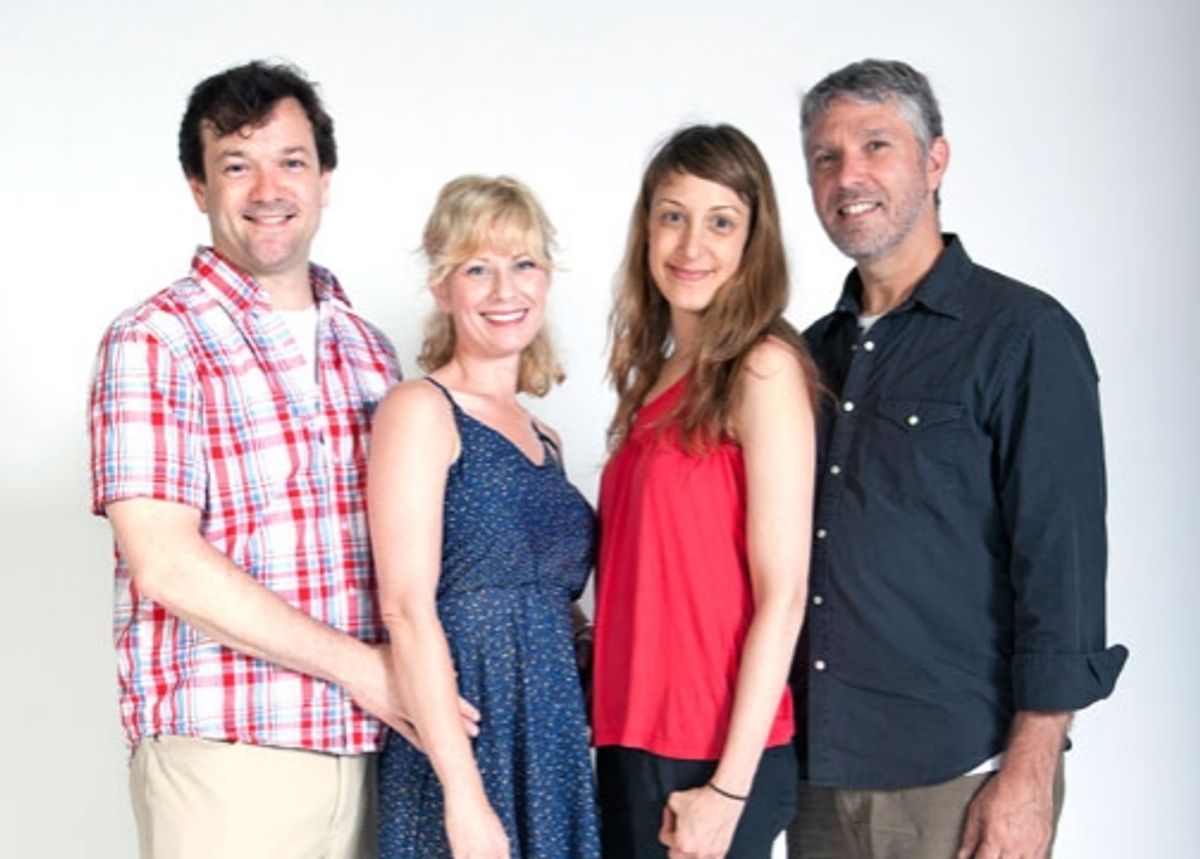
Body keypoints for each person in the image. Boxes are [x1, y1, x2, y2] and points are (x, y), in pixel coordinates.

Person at [87, 60, 476, 858]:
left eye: (291, 160)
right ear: (198, 186)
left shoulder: (368, 351)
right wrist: (364, 669)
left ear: (326, 178)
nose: (268, 187)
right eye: (237, 163)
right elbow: (164, 563)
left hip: (377, 752)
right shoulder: (155, 340)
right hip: (232, 758)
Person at [788, 59, 1129, 859]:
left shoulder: (1022, 335)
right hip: (815, 778)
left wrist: (1029, 774)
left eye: (877, 145)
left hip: (958, 778)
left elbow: (1062, 567)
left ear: (935, 160)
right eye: (826, 157)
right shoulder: (806, 357)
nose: (850, 176)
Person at [592, 124, 817, 858]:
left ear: (753, 240)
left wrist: (728, 789)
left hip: (711, 755)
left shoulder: (763, 368)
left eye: (721, 221)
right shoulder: (649, 380)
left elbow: (783, 594)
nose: (691, 246)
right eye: (672, 215)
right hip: (628, 736)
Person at [370, 175, 601, 858]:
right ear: (443, 288)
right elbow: (407, 608)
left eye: (523, 263)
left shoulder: (548, 439)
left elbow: (556, 603)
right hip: (462, 739)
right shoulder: (420, 409)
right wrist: (464, 796)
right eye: (479, 268)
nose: (507, 290)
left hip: (551, 736)